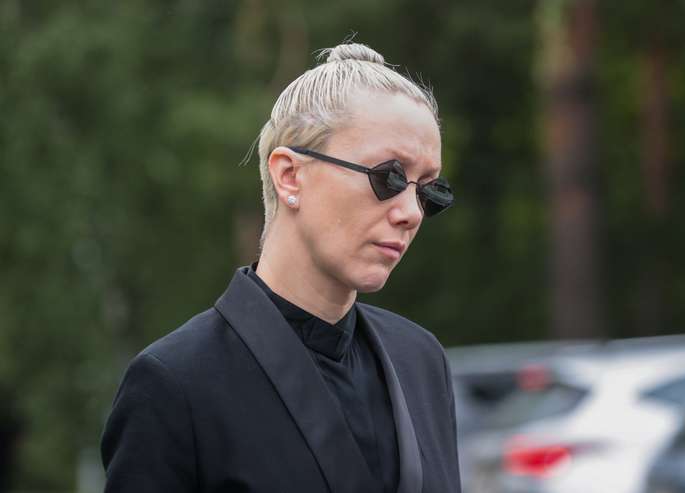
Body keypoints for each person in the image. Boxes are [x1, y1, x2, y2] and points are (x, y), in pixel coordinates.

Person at [101, 41, 460, 493]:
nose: (410, 212)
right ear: (290, 175)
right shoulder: (175, 383)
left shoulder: (421, 361)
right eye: (388, 176)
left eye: (428, 191)